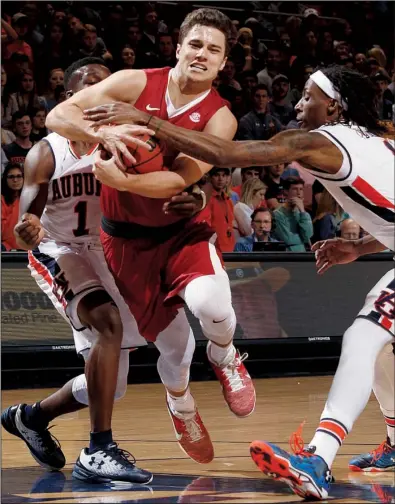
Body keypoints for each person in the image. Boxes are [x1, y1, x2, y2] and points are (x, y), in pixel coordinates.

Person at [87, 65, 395, 499]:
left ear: (334, 106)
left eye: (308, 95)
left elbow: (228, 155)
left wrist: (149, 121)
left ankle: (317, 457)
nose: (300, 103)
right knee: (380, 345)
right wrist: (359, 248)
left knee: (364, 337)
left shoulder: (319, 141)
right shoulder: (376, 140)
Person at [46, 6, 256, 461]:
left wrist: (122, 181)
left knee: (212, 304)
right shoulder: (134, 83)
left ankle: (224, 355)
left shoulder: (221, 119)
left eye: (213, 50)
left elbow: (177, 180)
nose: (202, 54)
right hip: (123, 241)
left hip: (180, 231)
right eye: (195, 44)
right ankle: (180, 404)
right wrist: (103, 133)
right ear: (178, 47)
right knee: (175, 350)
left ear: (223, 64)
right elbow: (58, 115)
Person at [1, 58, 208, 485]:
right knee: (108, 326)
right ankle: (98, 450)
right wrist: (28, 227)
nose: (105, 95)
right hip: (60, 250)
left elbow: (176, 182)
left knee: (111, 386)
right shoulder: (48, 150)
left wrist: (197, 198)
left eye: (111, 88)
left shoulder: (128, 145)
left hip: (109, 252)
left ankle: (30, 418)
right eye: (93, 87)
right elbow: (28, 223)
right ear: (71, 99)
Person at [1, 163, 24, 251]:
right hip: (6, 246)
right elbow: (4, 232)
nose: (15, 180)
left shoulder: (30, 199)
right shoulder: (1, 200)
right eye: (11, 177)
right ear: (5, 179)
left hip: (27, 246)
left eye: (19, 176)